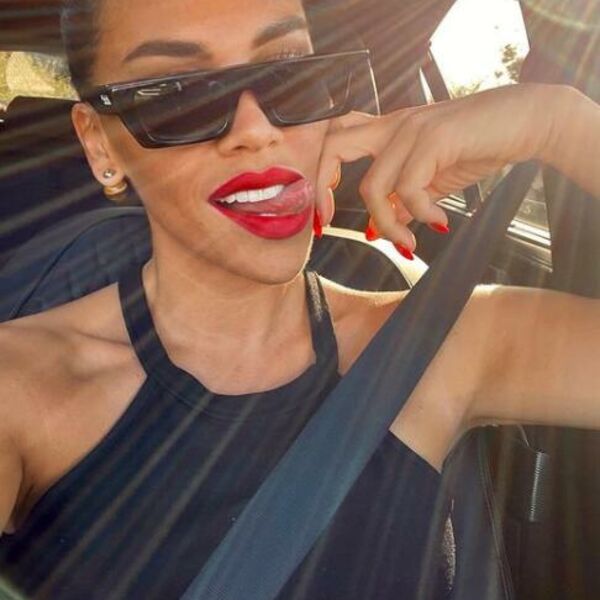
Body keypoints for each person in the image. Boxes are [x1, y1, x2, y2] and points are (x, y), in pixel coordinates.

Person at [0, 0, 599, 598]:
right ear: (100, 144)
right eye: (178, 94)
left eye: (287, 73)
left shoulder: (445, 341)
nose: (257, 129)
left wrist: (556, 123)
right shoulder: (19, 390)